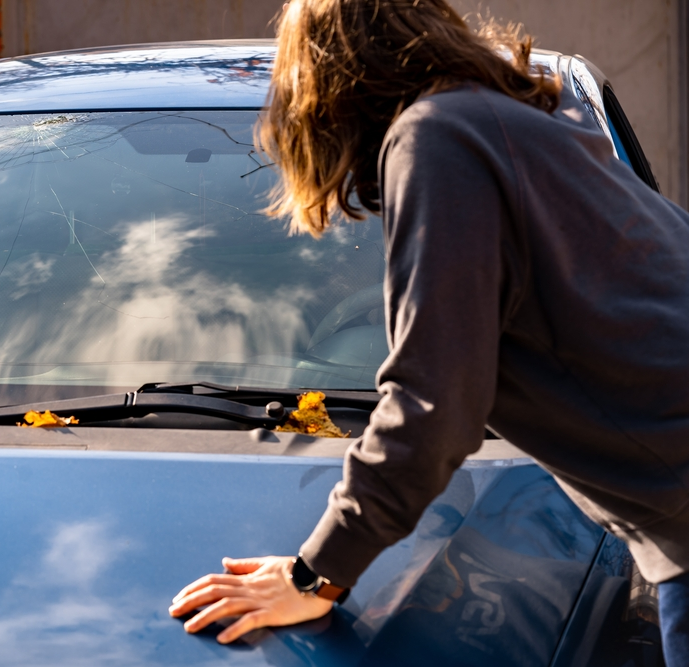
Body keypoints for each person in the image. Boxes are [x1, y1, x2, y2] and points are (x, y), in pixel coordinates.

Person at [167, 0, 689, 661]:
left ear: (329, 80)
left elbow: (432, 403)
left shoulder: (437, 136)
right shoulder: (518, 117)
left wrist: (314, 573)